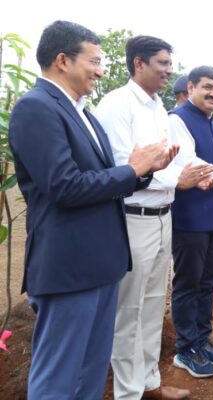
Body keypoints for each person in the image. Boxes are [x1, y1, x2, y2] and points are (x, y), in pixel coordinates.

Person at [8, 20, 175, 399]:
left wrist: (144, 172)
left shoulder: (81, 110)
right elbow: (63, 186)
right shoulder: (36, 108)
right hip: (69, 268)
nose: (101, 70)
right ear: (63, 60)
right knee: (59, 376)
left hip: (100, 265)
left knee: (90, 372)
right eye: (94, 61)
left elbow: (105, 177)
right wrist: (132, 169)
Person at [95, 36, 213, 400]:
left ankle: (149, 382)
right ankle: (127, 392)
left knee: (151, 306)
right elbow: (123, 165)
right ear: (139, 64)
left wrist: (199, 176)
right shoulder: (116, 104)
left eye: (169, 63)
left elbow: (172, 161)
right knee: (129, 309)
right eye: (162, 63)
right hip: (134, 217)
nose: (169, 71)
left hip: (163, 214)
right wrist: (177, 179)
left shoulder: (156, 108)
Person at [168, 66, 213, 378]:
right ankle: (185, 348)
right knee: (188, 283)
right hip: (189, 216)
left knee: (208, 281)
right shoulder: (177, 119)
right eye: (207, 87)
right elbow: (191, 164)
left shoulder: (212, 124)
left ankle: (201, 339)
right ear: (192, 87)